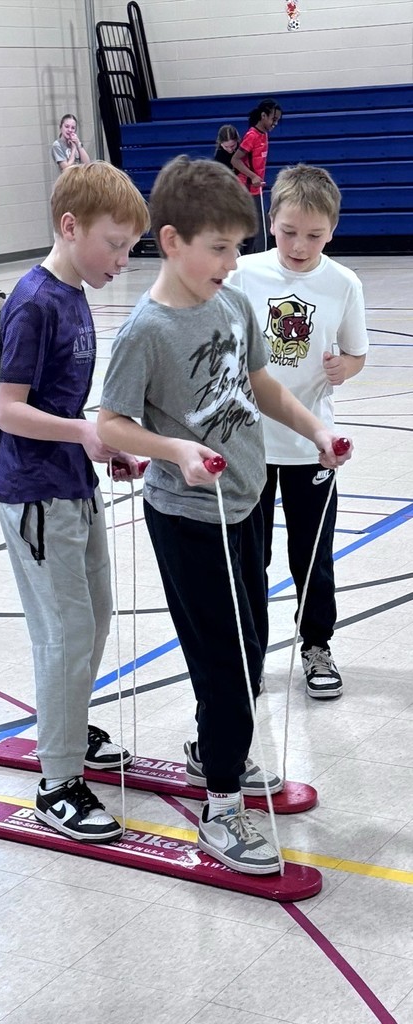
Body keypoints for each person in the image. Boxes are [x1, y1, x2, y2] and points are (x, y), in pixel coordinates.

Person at [97, 156, 352, 874]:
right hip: (186, 516)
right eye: (219, 248)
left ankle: (219, 751)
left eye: (239, 246)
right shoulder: (146, 331)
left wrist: (317, 432)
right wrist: (171, 448)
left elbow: (262, 382)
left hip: (243, 501)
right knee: (226, 666)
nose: (232, 260)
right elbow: (112, 422)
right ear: (172, 241)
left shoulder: (234, 303)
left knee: (249, 645)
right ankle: (221, 808)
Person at [0, 161, 150, 844]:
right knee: (66, 631)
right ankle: (58, 778)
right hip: (34, 493)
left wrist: (96, 443)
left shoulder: (74, 291)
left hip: (71, 485)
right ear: (69, 226)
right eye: (113, 244)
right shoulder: (33, 301)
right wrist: (83, 432)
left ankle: (68, 724)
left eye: (129, 248)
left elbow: (60, 403)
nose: (122, 259)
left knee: (96, 615)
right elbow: (9, 411)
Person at [229, 164, 368, 700]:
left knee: (312, 553)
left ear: (331, 230)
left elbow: (356, 353)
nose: (299, 244)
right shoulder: (242, 273)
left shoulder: (342, 283)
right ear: (271, 221)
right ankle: (250, 651)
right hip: (249, 443)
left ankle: (316, 645)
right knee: (250, 558)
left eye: (313, 235)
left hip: (314, 446)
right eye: (288, 232)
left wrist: (345, 369)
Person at [231, 99, 282, 253]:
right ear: (263, 116)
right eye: (273, 119)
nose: (275, 123)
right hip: (246, 189)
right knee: (262, 227)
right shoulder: (252, 135)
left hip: (256, 190)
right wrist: (253, 176)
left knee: (261, 226)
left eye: (277, 120)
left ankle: (250, 256)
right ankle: (258, 259)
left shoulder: (264, 135)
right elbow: (235, 160)